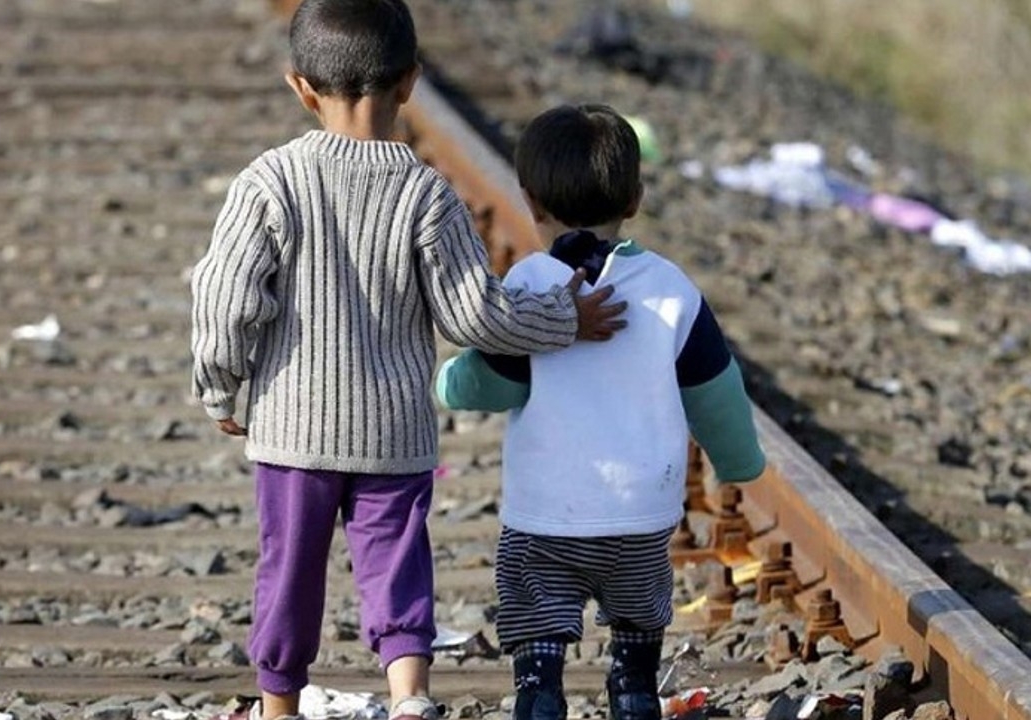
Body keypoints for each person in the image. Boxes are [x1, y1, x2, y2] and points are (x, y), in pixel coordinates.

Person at [189, 2, 630, 719]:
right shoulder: (428, 194)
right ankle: (409, 696)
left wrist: (220, 385)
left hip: (292, 434)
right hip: (392, 434)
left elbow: (225, 293)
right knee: (396, 561)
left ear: (300, 87)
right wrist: (564, 318)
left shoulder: (270, 181)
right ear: (411, 83)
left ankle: (278, 706)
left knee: (289, 568)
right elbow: (473, 314)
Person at [434, 104, 766, 720]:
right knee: (638, 619)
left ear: (530, 202)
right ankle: (635, 692)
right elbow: (715, 389)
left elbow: (493, 382)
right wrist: (739, 462)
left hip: (546, 520)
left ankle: (539, 694)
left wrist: (449, 382)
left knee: (536, 617)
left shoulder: (531, 285)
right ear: (635, 199)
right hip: (641, 517)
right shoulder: (671, 287)